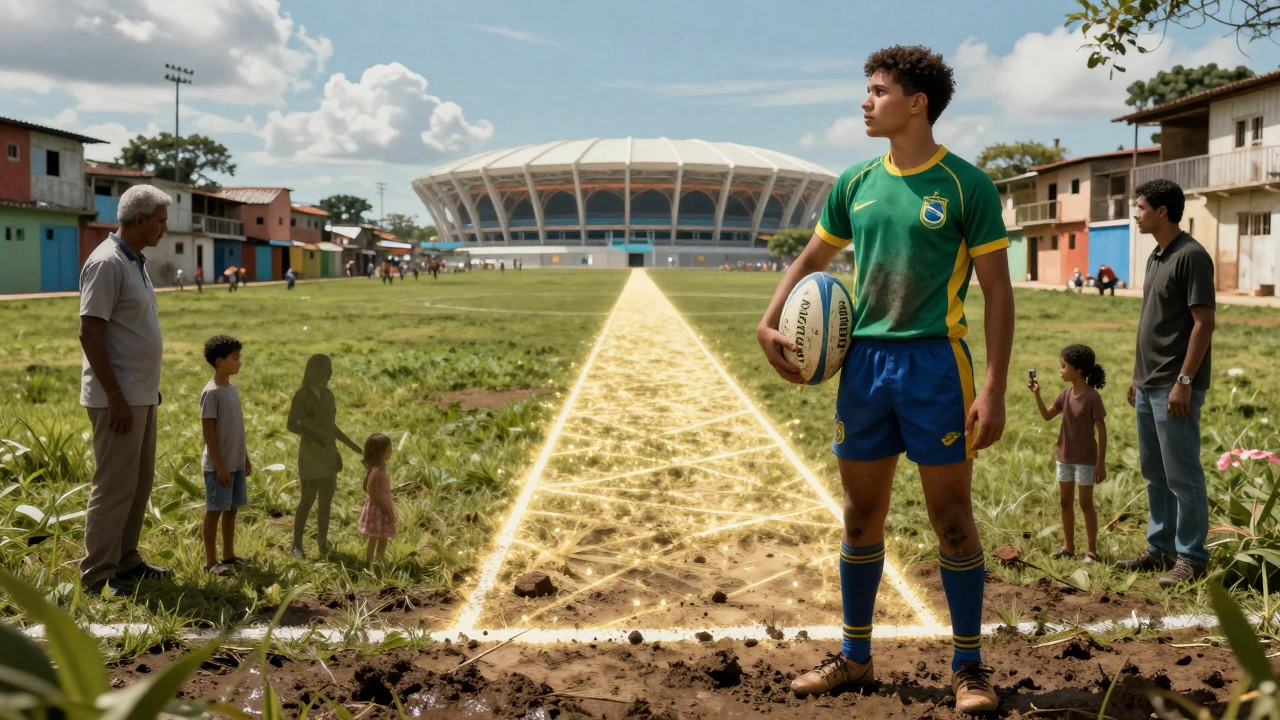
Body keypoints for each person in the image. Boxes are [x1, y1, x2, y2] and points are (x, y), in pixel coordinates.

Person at [756, 46, 1012, 714]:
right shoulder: (854, 183)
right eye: (866, 91)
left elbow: (998, 293)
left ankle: (969, 668)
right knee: (860, 515)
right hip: (863, 367)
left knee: (951, 519)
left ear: (916, 102)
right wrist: (769, 319)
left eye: (877, 91)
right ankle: (855, 656)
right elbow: (812, 257)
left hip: (935, 365)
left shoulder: (966, 186)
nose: (865, 102)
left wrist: (994, 387)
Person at [1116, 179, 1216, 587]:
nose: (1135, 214)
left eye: (1140, 207)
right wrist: (1136, 376)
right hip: (1149, 382)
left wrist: (1185, 381)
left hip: (1176, 386)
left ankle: (1191, 556)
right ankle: (1160, 549)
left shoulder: (1192, 256)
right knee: (1154, 472)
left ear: (1161, 211)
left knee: (1182, 473)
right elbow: (1153, 323)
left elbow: (1203, 323)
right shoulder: (1156, 257)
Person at [78, 184, 173, 596]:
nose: (164, 228)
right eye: (160, 221)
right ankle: (98, 573)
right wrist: (115, 395)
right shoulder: (106, 263)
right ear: (140, 221)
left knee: (138, 482)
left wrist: (146, 389)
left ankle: (127, 559)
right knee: (115, 484)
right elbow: (90, 331)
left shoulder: (135, 261)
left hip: (139, 395)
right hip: (117, 398)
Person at [1030, 345, 1108, 563]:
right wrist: (1037, 394)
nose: (1060, 370)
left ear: (1078, 369)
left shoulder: (1092, 398)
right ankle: (1069, 547)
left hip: (1085, 461)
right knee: (1065, 502)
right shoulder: (1065, 395)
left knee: (1085, 504)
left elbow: (1102, 432)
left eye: (1063, 366)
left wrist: (1100, 463)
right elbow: (1047, 416)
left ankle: (1091, 550)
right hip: (1064, 458)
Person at [287, 354, 362, 558]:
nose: (326, 374)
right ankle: (297, 546)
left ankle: (322, 543)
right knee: (308, 499)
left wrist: (351, 445)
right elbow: (292, 425)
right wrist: (313, 434)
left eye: (329, 370)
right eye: (322, 370)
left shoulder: (328, 396)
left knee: (326, 502)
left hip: (328, 453)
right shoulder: (301, 396)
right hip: (310, 454)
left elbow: (331, 426)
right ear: (312, 371)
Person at [199, 335, 251, 575]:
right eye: (235, 358)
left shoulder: (232, 388)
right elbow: (208, 433)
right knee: (215, 510)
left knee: (231, 509)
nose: (239, 363)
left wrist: (245, 458)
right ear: (220, 362)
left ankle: (228, 555)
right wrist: (219, 466)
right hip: (219, 465)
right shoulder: (211, 393)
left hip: (236, 462)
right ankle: (211, 561)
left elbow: (237, 427)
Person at [359, 433, 396, 568]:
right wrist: (385, 508)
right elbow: (371, 491)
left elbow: (365, 487)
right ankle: (370, 563)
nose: (391, 451)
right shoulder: (376, 472)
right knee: (374, 537)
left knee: (382, 536)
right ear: (381, 451)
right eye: (389, 448)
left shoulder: (376, 470)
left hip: (380, 507)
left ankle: (380, 559)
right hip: (379, 509)